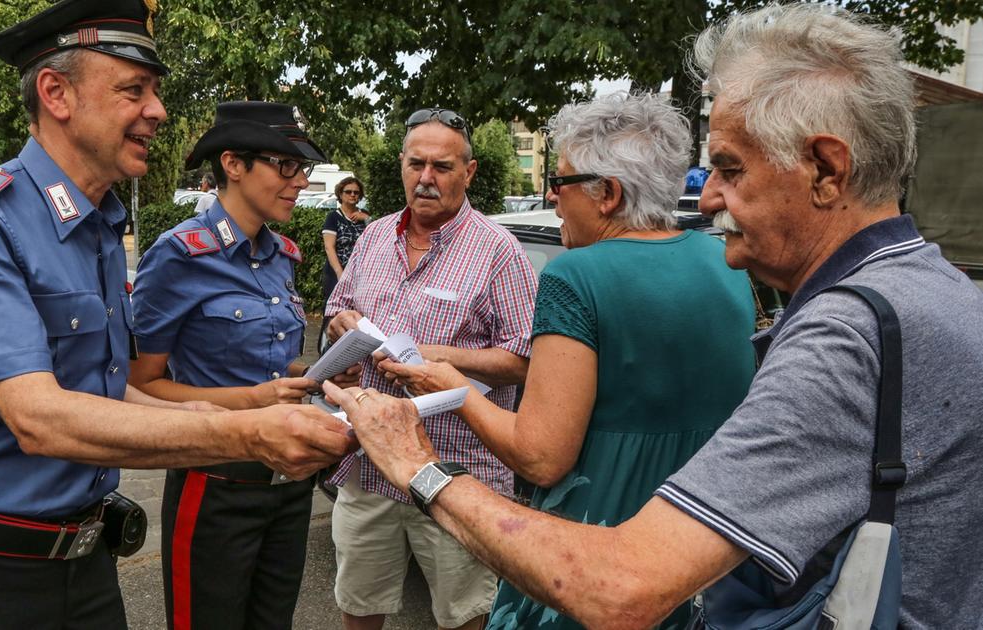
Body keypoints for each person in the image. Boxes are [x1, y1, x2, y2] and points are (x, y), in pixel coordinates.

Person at [322, 4, 983, 628]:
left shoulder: (842, 333)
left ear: (824, 168)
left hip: (603, 547)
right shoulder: (934, 287)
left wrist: (417, 463)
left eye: (727, 166)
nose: (712, 199)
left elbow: (608, 571)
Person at [0, 2, 353, 629]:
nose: (157, 110)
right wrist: (244, 434)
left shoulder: (99, 226)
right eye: (133, 90)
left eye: (154, 92)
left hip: (85, 557)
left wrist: (223, 410)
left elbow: (108, 389)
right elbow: (39, 418)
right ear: (56, 93)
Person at [380, 94, 756, 629]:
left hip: (596, 544)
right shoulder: (725, 261)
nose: (555, 201)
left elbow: (540, 458)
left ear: (608, 194)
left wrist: (452, 385)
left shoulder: (575, 277)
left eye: (560, 184)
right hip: (698, 546)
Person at [324, 108, 538, 630]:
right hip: (369, 465)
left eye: (442, 166)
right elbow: (337, 308)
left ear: (470, 172)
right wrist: (342, 324)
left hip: (457, 471)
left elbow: (525, 361)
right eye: (416, 163)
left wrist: (436, 355)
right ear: (401, 164)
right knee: (359, 604)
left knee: (464, 615)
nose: (426, 178)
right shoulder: (373, 237)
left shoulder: (499, 253)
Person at [129, 101, 331, 630]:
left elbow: (274, 364)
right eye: (285, 165)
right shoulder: (180, 256)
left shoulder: (282, 254)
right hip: (216, 479)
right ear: (233, 165)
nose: (300, 181)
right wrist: (252, 403)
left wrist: (319, 374)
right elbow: (140, 385)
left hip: (288, 481)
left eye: (302, 168)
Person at [321, 176, 370, 300]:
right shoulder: (333, 217)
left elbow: (376, 239)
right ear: (340, 194)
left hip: (361, 274)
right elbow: (329, 247)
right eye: (348, 191)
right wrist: (340, 273)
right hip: (337, 272)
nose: (352, 194)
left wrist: (366, 218)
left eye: (356, 192)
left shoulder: (365, 215)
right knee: (335, 312)